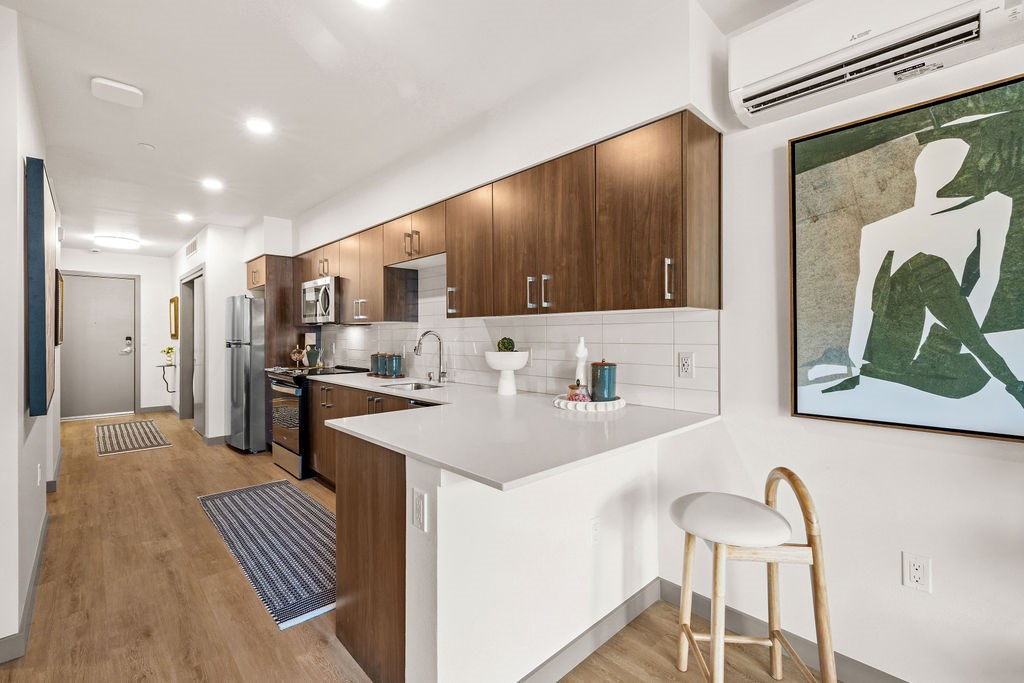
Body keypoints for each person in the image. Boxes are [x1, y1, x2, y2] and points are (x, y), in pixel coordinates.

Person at [827, 137, 1024, 409]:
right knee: (926, 264)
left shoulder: (990, 207)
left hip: (940, 344)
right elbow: (864, 301)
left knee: (929, 267)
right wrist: (855, 364)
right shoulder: (879, 231)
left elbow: (986, 277)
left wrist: (949, 341)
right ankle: (1010, 380)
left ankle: (1005, 378)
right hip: (893, 349)